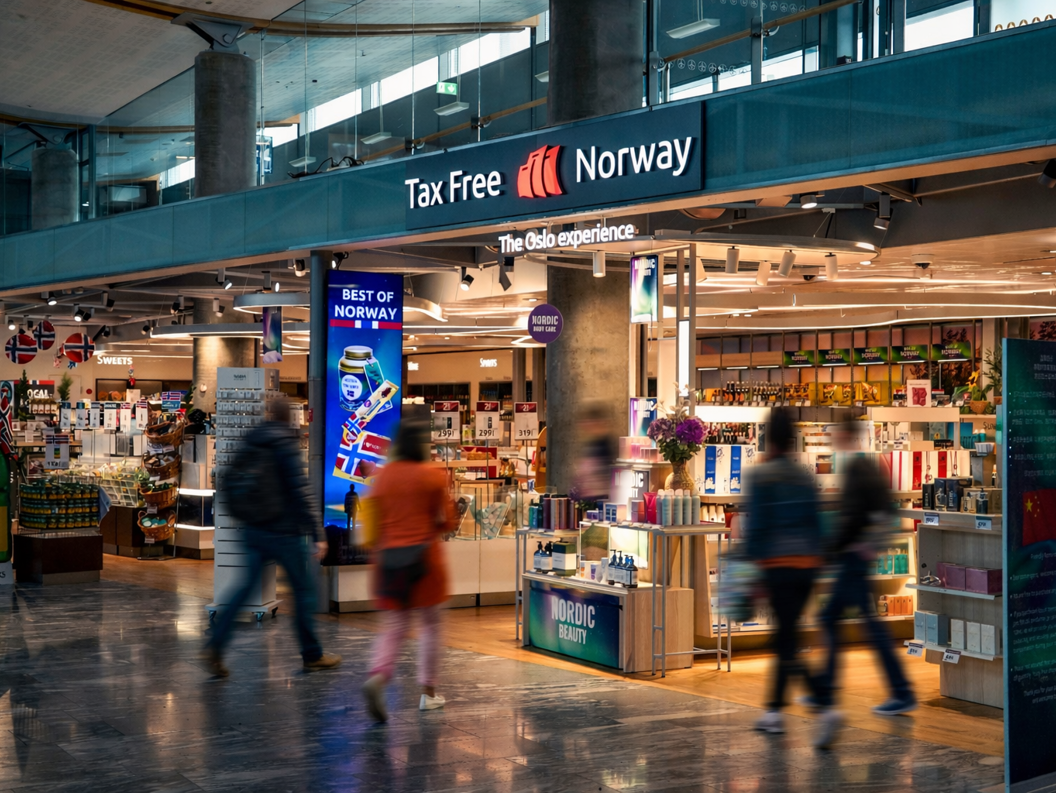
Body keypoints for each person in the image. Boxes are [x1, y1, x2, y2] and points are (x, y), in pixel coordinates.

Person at [201, 398, 341, 677]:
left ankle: (215, 645)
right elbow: (301, 491)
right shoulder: (284, 444)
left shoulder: (251, 441)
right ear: (289, 419)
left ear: (268, 415)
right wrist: (318, 534)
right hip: (285, 531)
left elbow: (229, 479)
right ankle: (312, 654)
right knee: (303, 592)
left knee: (243, 590)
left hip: (254, 528)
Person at [810, 417, 916, 746]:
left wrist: (833, 548)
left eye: (834, 433)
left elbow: (854, 517)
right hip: (858, 556)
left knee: (837, 620)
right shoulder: (870, 467)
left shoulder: (858, 469)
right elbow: (881, 511)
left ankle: (893, 691)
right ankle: (833, 689)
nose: (831, 439)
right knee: (858, 623)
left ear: (846, 436)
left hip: (853, 558)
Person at [362, 421, 457, 723]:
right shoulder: (432, 477)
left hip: (389, 563)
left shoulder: (382, 478)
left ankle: (379, 674)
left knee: (395, 626)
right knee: (430, 626)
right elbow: (447, 521)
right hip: (425, 563)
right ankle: (428, 693)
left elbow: (370, 527)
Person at [742, 407, 823, 736]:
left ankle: (778, 710)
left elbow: (756, 528)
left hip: (776, 568)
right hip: (806, 568)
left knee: (785, 638)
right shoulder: (804, 476)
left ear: (766, 437)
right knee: (787, 635)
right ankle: (814, 695)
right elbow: (817, 526)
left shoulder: (761, 476)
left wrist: (754, 571)